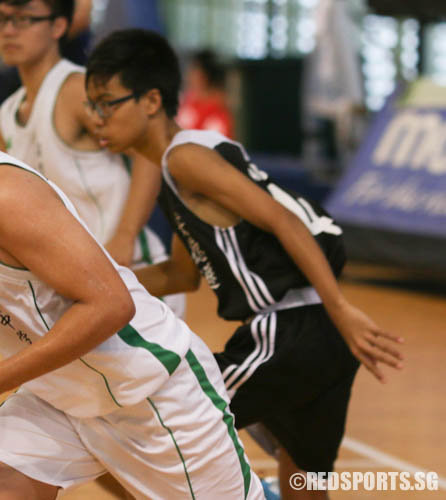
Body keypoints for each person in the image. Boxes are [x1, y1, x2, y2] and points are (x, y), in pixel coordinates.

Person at [0, 20, 266, 500]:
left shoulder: (1, 193)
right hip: (60, 400)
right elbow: (2, 307)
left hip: (147, 394)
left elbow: (112, 305)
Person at [85, 29, 404, 499]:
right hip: (316, 337)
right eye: (93, 105)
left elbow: (283, 220)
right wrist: (93, 286)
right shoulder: (180, 168)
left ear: (151, 100)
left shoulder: (185, 159)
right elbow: (180, 276)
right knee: (305, 483)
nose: (97, 118)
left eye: (107, 103)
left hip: (288, 331)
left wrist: (341, 309)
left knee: (116, 433)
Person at [0, 0, 184, 315]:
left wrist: (125, 234)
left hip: (136, 279)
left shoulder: (78, 90)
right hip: (77, 290)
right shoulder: (7, 115)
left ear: (58, 26)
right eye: (0, 19)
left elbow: (149, 152)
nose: (8, 31)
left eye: (23, 19)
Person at [176, 49, 234, 138]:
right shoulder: (185, 101)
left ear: (204, 76)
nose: (188, 74)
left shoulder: (217, 115)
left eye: (193, 69)